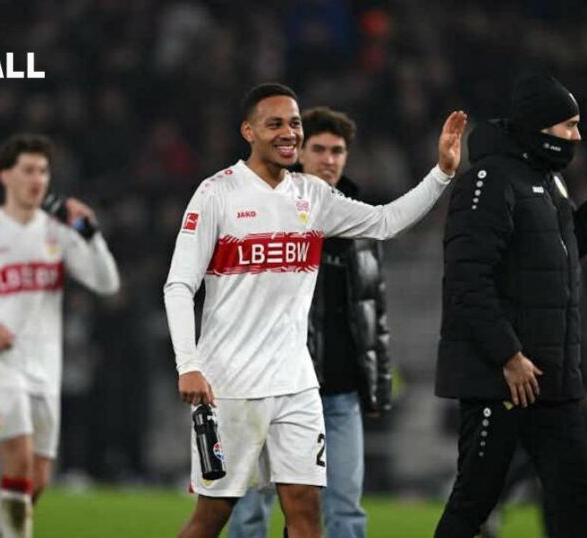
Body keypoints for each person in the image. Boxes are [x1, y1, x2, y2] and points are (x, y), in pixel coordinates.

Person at [165, 83, 466, 538]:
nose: (289, 133)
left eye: (294, 123)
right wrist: (188, 365)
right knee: (214, 515)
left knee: (306, 513)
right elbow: (179, 285)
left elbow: (385, 222)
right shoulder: (216, 195)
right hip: (230, 385)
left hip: (296, 383)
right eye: (276, 124)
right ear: (249, 132)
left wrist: (441, 173)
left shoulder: (312, 196)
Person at [434, 74, 587, 538]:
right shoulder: (488, 182)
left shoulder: (547, 182)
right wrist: (508, 355)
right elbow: (468, 281)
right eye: (569, 126)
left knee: (575, 495)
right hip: (501, 377)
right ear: (540, 127)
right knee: (476, 500)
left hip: (549, 376)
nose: (577, 136)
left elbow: (565, 246)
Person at [0, 133, 120, 538]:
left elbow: (106, 283)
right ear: (6, 176)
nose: (37, 179)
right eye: (27, 170)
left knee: (37, 480)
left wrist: (91, 234)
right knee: (18, 463)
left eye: (42, 171)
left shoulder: (56, 235)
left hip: (45, 366)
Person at [227, 106, 391, 538]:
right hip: (271, 385)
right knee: (251, 505)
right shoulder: (266, 212)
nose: (329, 159)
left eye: (338, 150)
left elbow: (373, 306)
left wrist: (377, 381)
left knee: (345, 508)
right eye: (318, 148)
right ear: (299, 154)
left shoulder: (361, 221)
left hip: (340, 392)